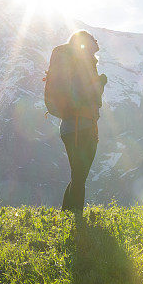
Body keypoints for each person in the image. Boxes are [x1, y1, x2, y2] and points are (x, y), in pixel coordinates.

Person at [49, 30, 107, 211]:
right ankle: (76, 219)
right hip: (81, 126)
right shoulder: (83, 64)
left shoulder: (71, 63)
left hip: (69, 126)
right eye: (92, 42)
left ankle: (68, 215)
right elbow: (86, 94)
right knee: (80, 174)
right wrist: (100, 82)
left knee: (78, 175)